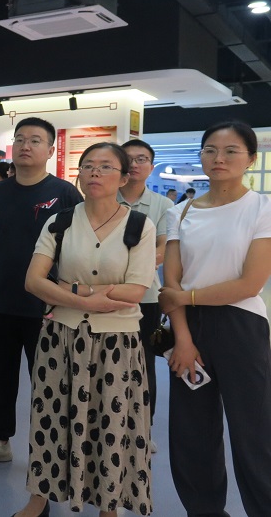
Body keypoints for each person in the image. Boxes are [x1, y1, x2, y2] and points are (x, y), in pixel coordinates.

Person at [12, 142, 155, 517]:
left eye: (106, 167)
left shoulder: (139, 225)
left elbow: (135, 290)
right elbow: (33, 281)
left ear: (123, 178)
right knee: (50, 419)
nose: (94, 172)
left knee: (111, 422)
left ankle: (109, 504)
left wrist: (68, 290)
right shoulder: (59, 222)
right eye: (88, 165)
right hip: (61, 336)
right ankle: (39, 498)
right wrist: (87, 299)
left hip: (116, 342)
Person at [159, 121, 271, 517]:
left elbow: (249, 283)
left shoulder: (262, 208)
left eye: (230, 151)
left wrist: (187, 297)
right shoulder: (179, 212)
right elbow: (170, 282)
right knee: (192, 434)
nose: (218, 158)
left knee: (254, 432)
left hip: (242, 326)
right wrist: (183, 339)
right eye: (210, 150)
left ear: (250, 159)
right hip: (189, 329)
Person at [0, 117, 83, 467]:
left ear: (50, 150)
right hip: (0, 303)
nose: (25, 146)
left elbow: (77, 247)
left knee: (49, 382)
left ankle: (53, 448)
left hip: (48, 307)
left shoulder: (65, 193)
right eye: (19, 139)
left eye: (34, 140)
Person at [118, 139, 173, 450]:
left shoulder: (162, 205)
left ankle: (143, 428)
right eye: (129, 159)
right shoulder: (102, 199)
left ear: (151, 167)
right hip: (106, 295)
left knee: (143, 364)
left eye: (141, 159)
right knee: (108, 362)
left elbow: (164, 249)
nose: (134, 164)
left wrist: (128, 267)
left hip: (146, 296)